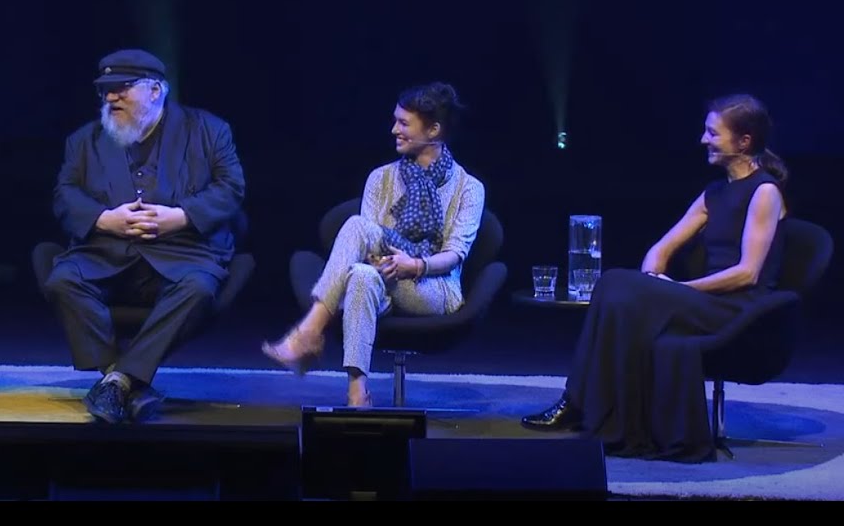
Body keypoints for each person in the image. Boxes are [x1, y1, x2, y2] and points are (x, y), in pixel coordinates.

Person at [521, 94, 789, 463]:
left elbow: (748, 272)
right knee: (617, 285)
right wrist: (652, 277)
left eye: (713, 133)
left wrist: (677, 288)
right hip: (704, 301)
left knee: (617, 283)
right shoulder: (714, 193)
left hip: (738, 308)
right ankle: (599, 412)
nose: (703, 140)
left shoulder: (765, 192)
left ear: (744, 141)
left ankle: (580, 404)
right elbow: (663, 247)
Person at [40, 48, 246, 423]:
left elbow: (231, 189)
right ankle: (124, 381)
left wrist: (181, 216)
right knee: (62, 280)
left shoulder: (209, 130)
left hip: (182, 252)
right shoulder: (84, 141)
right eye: (104, 89)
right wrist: (104, 219)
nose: (110, 97)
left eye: (121, 88)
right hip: (106, 252)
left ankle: (118, 381)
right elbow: (64, 194)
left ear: (156, 91)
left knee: (198, 288)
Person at [263, 82, 485, 406]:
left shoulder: (468, 187)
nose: (394, 129)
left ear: (434, 130)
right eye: (395, 120)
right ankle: (357, 393)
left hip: (432, 285)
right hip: (379, 274)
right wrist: (386, 265)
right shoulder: (380, 177)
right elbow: (366, 249)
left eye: (404, 123)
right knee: (361, 273)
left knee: (357, 231)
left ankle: (309, 332)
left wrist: (416, 264)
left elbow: (454, 255)